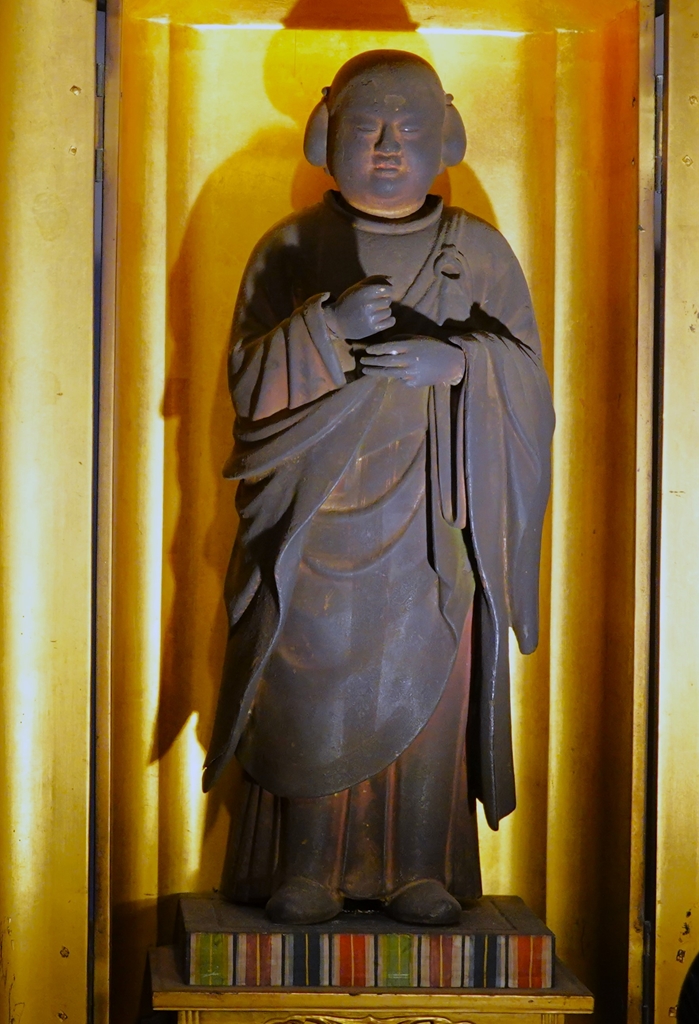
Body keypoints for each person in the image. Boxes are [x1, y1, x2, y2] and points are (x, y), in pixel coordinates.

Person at [203, 50, 555, 926]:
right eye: (366, 126)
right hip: (318, 521)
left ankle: (417, 867)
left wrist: (460, 364)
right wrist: (323, 329)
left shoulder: (478, 252)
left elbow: (532, 390)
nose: (388, 145)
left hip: (433, 515)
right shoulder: (288, 248)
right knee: (308, 687)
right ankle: (307, 866)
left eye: (410, 125)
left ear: (447, 134)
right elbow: (247, 385)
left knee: (430, 687)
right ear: (327, 134)